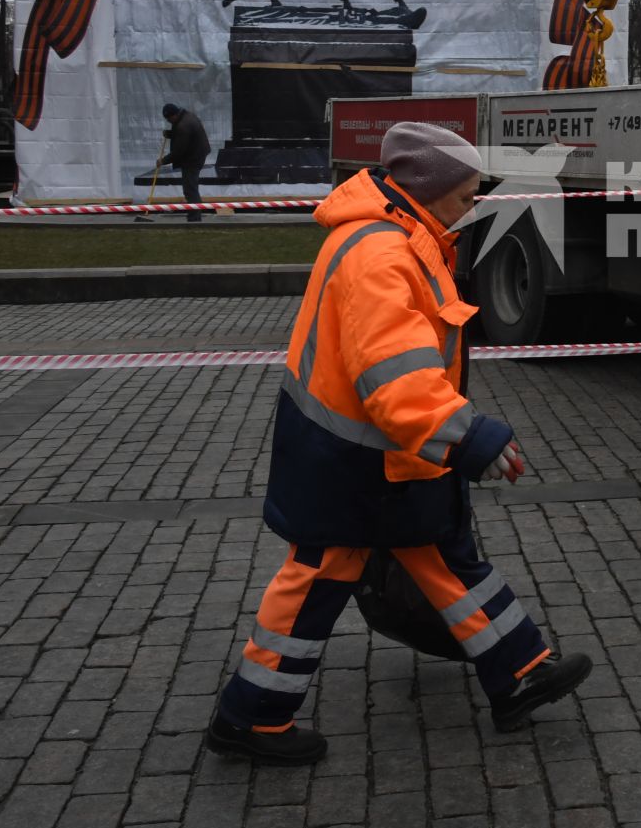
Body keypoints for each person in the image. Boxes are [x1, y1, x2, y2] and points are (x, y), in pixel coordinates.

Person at [205, 121, 590, 765]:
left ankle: (519, 671)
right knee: (323, 576)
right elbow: (397, 377)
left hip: (367, 452)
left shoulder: (394, 237)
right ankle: (249, 718)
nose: (475, 205)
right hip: (356, 459)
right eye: (468, 193)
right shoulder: (383, 254)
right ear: (431, 187)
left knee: (437, 554)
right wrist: (472, 439)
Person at [162, 103, 211, 222]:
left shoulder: (183, 126)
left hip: (193, 159)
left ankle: (194, 218)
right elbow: (184, 136)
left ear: (173, 115)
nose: (169, 122)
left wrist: (163, 161)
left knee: (190, 189)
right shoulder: (186, 116)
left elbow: (179, 151)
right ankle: (194, 215)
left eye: (169, 119)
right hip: (197, 154)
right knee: (191, 187)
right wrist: (171, 134)